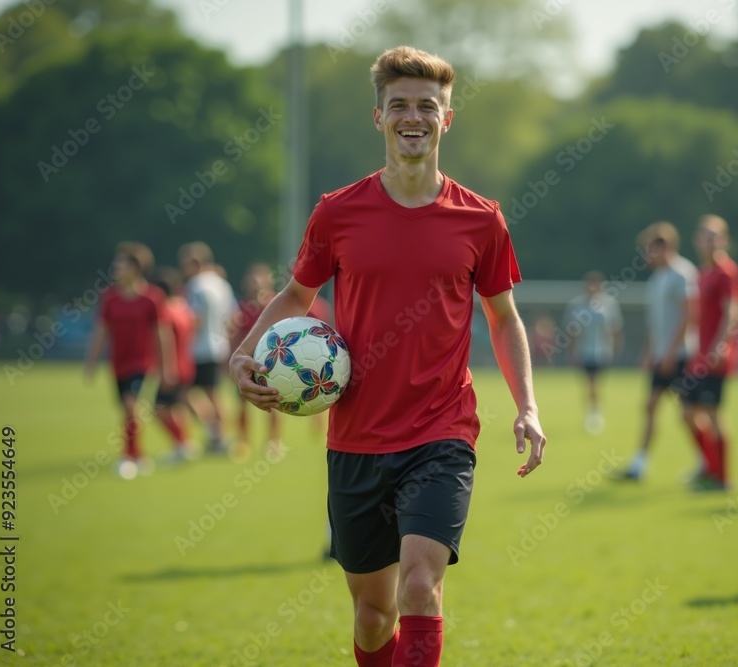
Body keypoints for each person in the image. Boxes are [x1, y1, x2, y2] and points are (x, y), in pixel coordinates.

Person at [229, 46, 546, 667]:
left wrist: (527, 407)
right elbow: (296, 295)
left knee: (421, 588)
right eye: (398, 105)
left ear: (446, 118)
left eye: (427, 106)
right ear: (378, 117)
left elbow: (503, 318)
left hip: (441, 432)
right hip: (356, 438)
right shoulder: (337, 212)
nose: (413, 117)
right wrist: (244, 355)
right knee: (374, 618)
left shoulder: (481, 220)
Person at [84, 242, 176, 479]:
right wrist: (91, 362)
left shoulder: (152, 297)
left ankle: (130, 456)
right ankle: (139, 457)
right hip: (118, 364)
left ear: (136, 267)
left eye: (121, 264)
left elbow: (161, 333)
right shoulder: (110, 297)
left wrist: (167, 367)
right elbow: (101, 331)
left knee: (130, 405)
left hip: (142, 363)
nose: (116, 268)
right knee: (127, 410)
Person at [619, 222, 699, 481]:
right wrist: (650, 351)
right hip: (662, 356)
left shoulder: (682, 273)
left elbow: (687, 315)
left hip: (680, 356)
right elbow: (657, 322)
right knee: (651, 406)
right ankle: (638, 465)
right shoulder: (657, 278)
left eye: (649, 249)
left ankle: (707, 462)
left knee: (689, 414)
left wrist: (671, 352)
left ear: (664, 247)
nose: (646, 255)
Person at [681, 215, 738, 492]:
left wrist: (721, 345)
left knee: (714, 414)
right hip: (699, 356)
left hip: (715, 357)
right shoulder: (702, 272)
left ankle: (722, 479)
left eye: (714, 236)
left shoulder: (727, 271)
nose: (710, 241)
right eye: (705, 236)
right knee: (688, 412)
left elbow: (733, 312)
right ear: (696, 240)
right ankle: (709, 466)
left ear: (724, 240)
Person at [179, 241, 236, 455]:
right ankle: (218, 437)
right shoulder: (221, 284)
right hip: (218, 346)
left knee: (182, 394)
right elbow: (233, 317)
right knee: (214, 395)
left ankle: (215, 434)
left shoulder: (196, 285)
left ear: (195, 263)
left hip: (197, 348)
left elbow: (195, 319)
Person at [228, 263, 282, 461]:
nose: (255, 282)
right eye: (251, 278)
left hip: (270, 365)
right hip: (247, 363)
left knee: (272, 403)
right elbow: (234, 335)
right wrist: (231, 358)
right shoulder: (242, 307)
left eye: (258, 278)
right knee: (242, 403)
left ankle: (273, 442)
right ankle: (243, 442)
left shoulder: (275, 304)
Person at [563, 271, 623, 435]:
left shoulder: (609, 304)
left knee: (595, 383)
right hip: (584, 351)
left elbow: (615, 329)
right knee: (590, 384)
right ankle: (593, 414)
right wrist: (572, 352)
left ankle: (594, 414)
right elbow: (572, 332)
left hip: (602, 351)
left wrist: (615, 348)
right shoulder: (577, 305)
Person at [150, 266, 197, 463]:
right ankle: (185, 445)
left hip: (172, 366)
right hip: (187, 362)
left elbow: (166, 339)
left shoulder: (165, 311)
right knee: (177, 408)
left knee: (158, 409)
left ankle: (183, 444)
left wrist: (166, 369)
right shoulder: (183, 308)